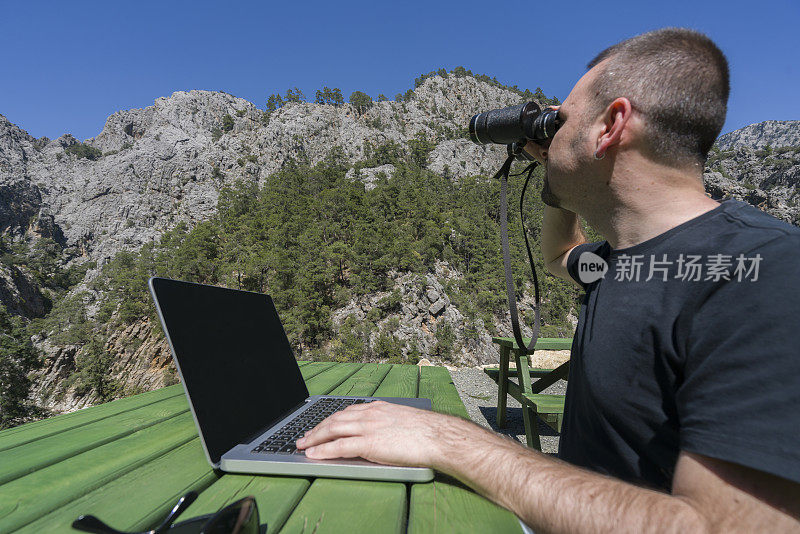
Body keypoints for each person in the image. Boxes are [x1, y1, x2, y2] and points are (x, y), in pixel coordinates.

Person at [297, 28, 800, 531]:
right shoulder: (623, 259)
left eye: (562, 119)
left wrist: (451, 441)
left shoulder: (760, 270)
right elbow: (561, 254)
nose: (549, 132)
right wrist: (556, 171)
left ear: (611, 124)